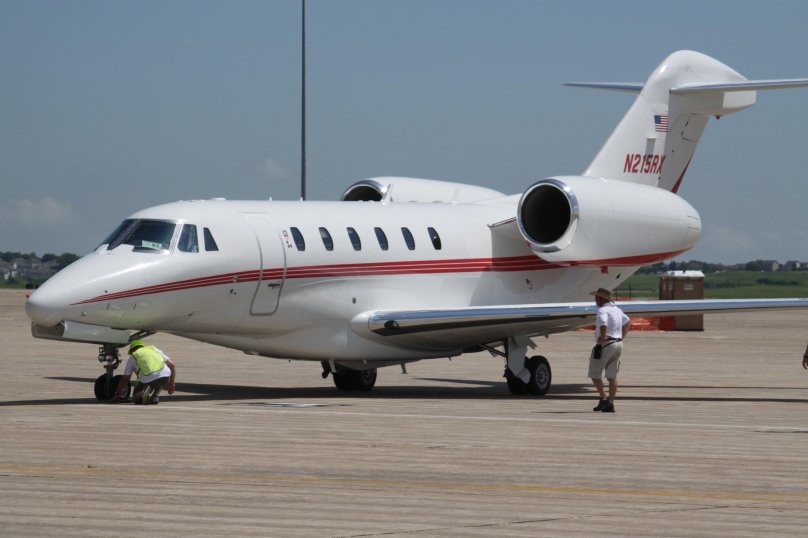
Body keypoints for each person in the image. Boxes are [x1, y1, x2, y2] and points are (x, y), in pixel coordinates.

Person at [589, 288, 630, 413]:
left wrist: (602, 338)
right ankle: (610, 403)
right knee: (612, 375)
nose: (595, 300)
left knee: (594, 373)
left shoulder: (602, 310)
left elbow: (603, 324)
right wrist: (621, 336)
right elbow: (627, 321)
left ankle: (603, 397)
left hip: (606, 344)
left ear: (602, 299)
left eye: (596, 298)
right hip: (618, 343)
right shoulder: (617, 310)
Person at [110, 340, 176, 404]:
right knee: (162, 375)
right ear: (142, 346)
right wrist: (172, 383)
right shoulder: (153, 349)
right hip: (165, 377)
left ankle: (143, 395)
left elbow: (126, 378)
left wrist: (117, 393)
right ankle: (155, 396)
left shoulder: (133, 356)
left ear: (132, 350)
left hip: (148, 379)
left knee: (136, 397)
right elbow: (172, 365)